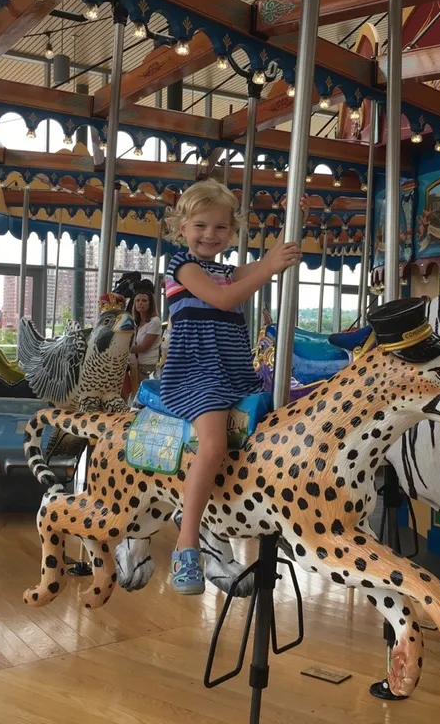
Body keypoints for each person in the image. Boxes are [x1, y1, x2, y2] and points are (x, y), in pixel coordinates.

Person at [160, 179, 302, 594]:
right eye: (201, 225)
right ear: (182, 228)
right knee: (214, 446)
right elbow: (224, 299)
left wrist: (296, 223)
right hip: (198, 371)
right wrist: (269, 268)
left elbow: (262, 265)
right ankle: (187, 545)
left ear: (232, 231)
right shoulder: (182, 267)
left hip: (234, 369)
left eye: (221, 228)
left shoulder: (224, 269)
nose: (210, 235)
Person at [127, 279, 162, 391]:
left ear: (150, 304)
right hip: (134, 366)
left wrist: (123, 349)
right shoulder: (134, 322)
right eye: (137, 301)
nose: (140, 303)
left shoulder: (154, 321)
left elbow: (143, 347)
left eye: (144, 301)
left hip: (148, 366)